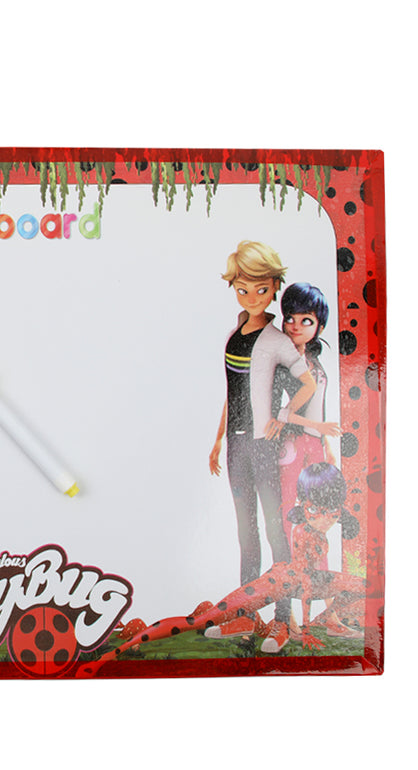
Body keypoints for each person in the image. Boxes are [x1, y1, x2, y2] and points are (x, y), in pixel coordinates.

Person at [79, 464, 376, 677]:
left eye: (332, 513)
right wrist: (306, 630)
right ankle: (112, 654)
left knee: (363, 584)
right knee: (200, 620)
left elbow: (312, 578)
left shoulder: (316, 530)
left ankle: (330, 621)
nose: (325, 519)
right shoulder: (302, 531)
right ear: (304, 505)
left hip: (301, 581)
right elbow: (305, 584)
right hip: (283, 583)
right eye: (316, 511)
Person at [208, 241, 317, 651]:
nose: (252, 297)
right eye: (243, 289)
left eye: (261, 289)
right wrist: (218, 439)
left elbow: (307, 382)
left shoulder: (276, 341)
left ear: (273, 287)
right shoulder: (234, 334)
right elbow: (231, 393)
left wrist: (282, 415)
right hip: (236, 447)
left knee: (274, 529)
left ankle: (282, 621)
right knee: (245, 532)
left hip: (263, 447)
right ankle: (246, 614)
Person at [274, 283, 341, 540]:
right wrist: (319, 429)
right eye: (290, 318)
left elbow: (318, 408)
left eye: (306, 321)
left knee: (317, 506)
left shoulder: (313, 361)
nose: (295, 326)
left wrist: (326, 444)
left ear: (319, 327)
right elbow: (281, 413)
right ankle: (287, 558)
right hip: (293, 440)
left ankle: (314, 558)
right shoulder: (283, 362)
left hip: (315, 442)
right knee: (288, 503)